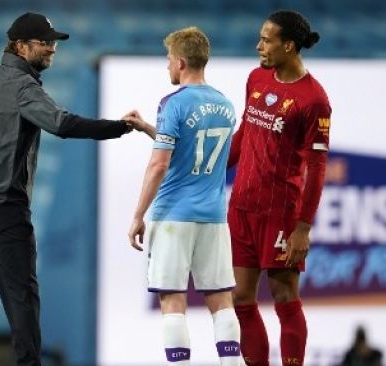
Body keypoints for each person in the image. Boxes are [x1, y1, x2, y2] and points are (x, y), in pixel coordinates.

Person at [0, 12, 148, 366]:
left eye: (53, 43)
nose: (52, 49)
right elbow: (62, 124)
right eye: (45, 43)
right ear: (20, 46)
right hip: (5, 211)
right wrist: (119, 127)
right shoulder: (23, 87)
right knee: (23, 299)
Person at [127, 27, 242, 366]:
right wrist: (150, 128)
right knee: (221, 299)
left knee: (172, 300)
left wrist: (137, 215)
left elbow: (159, 165)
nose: (167, 67)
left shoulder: (173, 103)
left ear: (180, 62)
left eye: (167, 60)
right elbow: (195, 146)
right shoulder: (224, 103)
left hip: (174, 214)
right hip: (213, 216)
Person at [227, 10, 332, 366]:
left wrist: (303, 226)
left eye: (266, 40)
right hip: (241, 205)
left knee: (283, 294)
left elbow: (317, 167)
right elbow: (245, 133)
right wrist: (210, 169)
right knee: (241, 297)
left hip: (280, 212)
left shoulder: (314, 100)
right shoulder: (256, 78)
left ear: (288, 45)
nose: (258, 46)